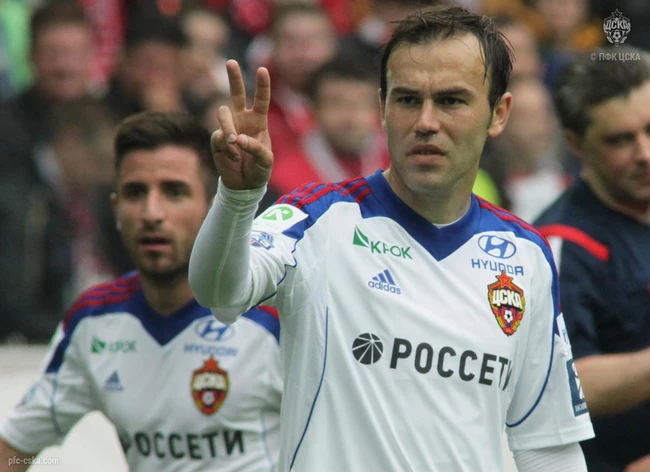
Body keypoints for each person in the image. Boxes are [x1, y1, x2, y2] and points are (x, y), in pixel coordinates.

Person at [189, 5, 594, 471]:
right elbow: (218, 293)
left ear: (498, 113)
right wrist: (238, 198)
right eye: (407, 99)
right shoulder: (317, 219)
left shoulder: (526, 257)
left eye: (451, 101)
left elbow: (548, 446)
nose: (426, 121)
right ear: (382, 108)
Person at [0, 111, 282, 471]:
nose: (151, 213)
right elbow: (13, 449)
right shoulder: (94, 321)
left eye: (174, 192)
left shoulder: (271, 315)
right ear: (116, 209)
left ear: (213, 208)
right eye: (135, 193)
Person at [534, 46, 650, 472]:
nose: (644, 153)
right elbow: (563, 383)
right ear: (575, 143)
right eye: (620, 140)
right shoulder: (558, 245)